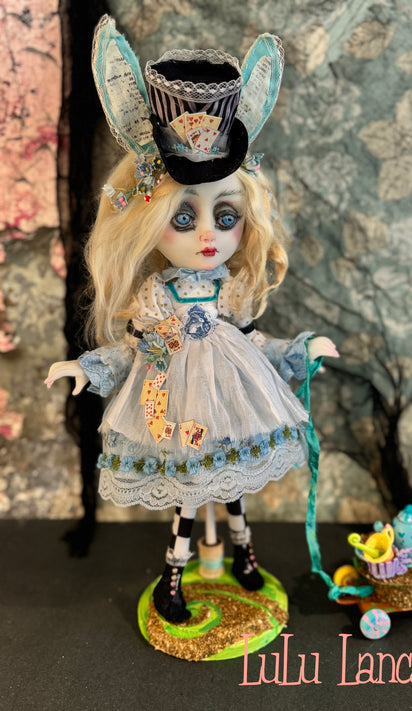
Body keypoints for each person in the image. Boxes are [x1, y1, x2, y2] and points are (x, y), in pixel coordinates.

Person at [45, 17, 338, 624]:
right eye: (184, 218)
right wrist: (85, 369)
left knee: (231, 490)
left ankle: (246, 557)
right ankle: (173, 580)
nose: (209, 235)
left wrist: (302, 350)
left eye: (225, 217)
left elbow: (256, 344)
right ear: (149, 224)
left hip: (231, 402)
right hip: (178, 410)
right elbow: (133, 351)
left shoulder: (230, 291)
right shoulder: (158, 297)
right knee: (187, 498)